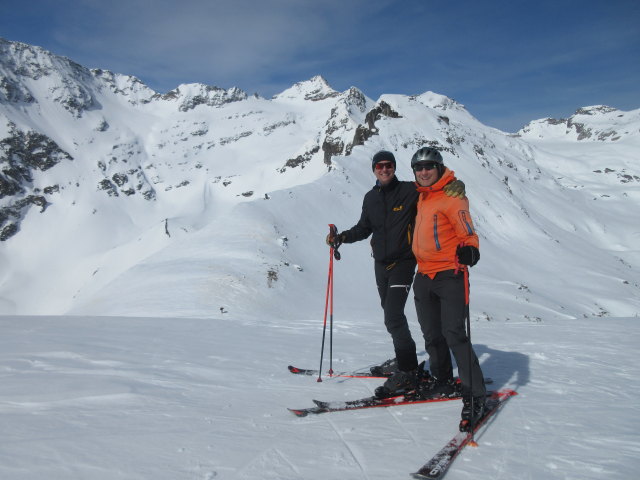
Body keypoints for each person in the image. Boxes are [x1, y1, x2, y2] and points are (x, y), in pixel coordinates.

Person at [327, 150, 464, 399]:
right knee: (393, 318)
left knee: (392, 315)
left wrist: (456, 184)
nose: (384, 169)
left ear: (394, 167)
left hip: (404, 262)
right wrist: (343, 237)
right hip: (380, 264)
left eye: (388, 165)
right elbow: (364, 227)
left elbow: (434, 186)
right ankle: (405, 359)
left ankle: (408, 370)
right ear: (374, 169)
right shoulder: (371, 198)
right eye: (379, 165)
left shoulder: (410, 190)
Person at [410, 146, 486, 431]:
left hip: (450, 274)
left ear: (440, 168)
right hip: (424, 275)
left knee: (454, 334)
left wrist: (471, 250)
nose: (424, 171)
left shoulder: (454, 197)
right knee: (432, 334)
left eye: (430, 166)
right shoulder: (421, 196)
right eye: (419, 168)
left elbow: (468, 231)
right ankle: (441, 380)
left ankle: (476, 394)